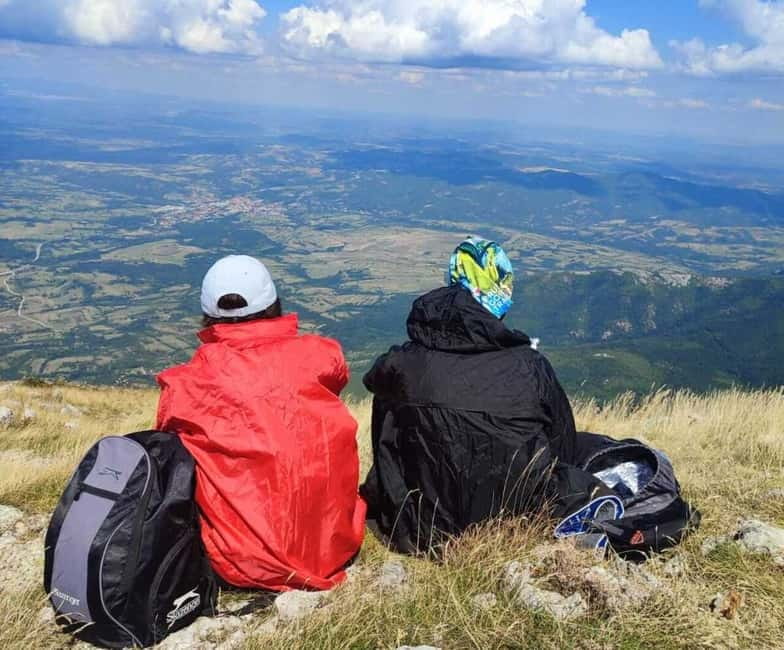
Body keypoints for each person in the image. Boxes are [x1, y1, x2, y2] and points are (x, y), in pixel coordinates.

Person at [360, 237, 613, 554]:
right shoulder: (530, 367)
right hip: (512, 526)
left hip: (418, 530)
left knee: (389, 399)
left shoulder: (401, 364)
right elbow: (563, 446)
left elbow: (374, 386)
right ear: (502, 293)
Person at [156, 254, 366, 591]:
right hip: (334, 545)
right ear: (275, 304)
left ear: (208, 316)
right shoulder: (322, 353)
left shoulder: (186, 383)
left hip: (242, 564)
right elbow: (334, 377)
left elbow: (165, 446)